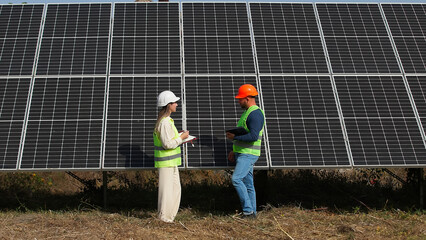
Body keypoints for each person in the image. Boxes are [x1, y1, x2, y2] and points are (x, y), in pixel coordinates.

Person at [226, 84, 265, 219]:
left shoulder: (255, 114)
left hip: (248, 154)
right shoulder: (247, 113)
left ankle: (248, 212)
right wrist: (234, 149)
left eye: (240, 99)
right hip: (243, 152)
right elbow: (246, 133)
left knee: (236, 179)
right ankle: (252, 213)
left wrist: (234, 137)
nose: (239, 101)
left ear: (248, 98)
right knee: (248, 184)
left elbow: (253, 136)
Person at [154, 90, 189, 223]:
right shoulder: (164, 123)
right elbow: (167, 144)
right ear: (169, 105)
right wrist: (182, 138)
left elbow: (169, 139)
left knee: (175, 190)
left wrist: (180, 137)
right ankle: (163, 219)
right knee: (166, 193)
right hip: (165, 163)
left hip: (171, 162)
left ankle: (169, 218)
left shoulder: (167, 121)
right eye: (174, 102)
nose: (177, 105)